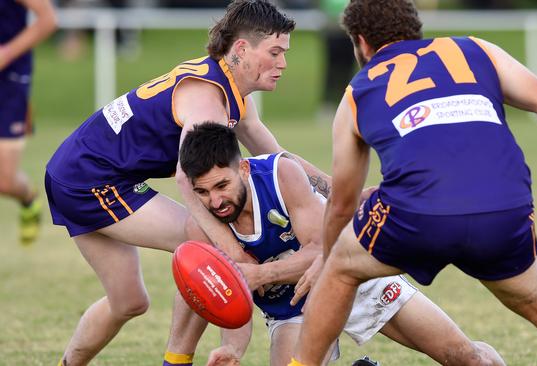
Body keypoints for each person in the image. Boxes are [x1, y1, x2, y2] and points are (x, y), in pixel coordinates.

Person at [289, 1, 537, 366]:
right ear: (414, 28)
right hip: (503, 206)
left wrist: (327, 260)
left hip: (417, 214)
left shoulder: (357, 92)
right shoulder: (475, 49)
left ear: (361, 42)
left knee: (342, 270)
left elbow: (343, 203)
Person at [44, 1, 329, 365]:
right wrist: (230, 247)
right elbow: (186, 176)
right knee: (202, 240)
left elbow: (277, 159)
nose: (283, 63)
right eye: (275, 52)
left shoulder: (229, 90)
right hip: (87, 180)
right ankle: (176, 361)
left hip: (76, 171)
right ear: (241, 49)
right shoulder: (208, 97)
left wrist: (339, 193)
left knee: (129, 301)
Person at [178, 122, 504, 366]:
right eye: (203, 192)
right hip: (292, 311)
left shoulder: (281, 175)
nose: (216, 201)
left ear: (244, 169)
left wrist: (261, 275)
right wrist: (232, 350)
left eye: (222, 185)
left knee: (466, 359)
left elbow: (322, 249)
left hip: (353, 279)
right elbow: (230, 299)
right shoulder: (203, 228)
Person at [0, 0, 56, 245]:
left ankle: (28, 199)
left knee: (4, 180)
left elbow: (48, 19)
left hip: (9, 80)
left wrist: (6, 53)